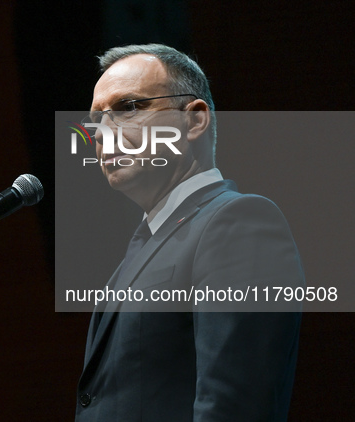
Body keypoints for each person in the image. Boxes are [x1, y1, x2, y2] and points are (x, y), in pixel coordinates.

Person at [75, 44, 305, 421]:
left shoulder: (240, 222)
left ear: (195, 120)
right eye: (96, 119)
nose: (102, 132)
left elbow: (235, 408)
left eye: (128, 108)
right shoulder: (141, 249)